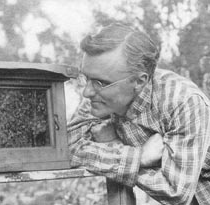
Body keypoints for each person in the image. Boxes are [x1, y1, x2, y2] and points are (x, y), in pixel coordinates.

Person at [67, 22, 210, 205]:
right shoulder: (98, 100)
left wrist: (114, 152)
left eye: (100, 82)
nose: (86, 92)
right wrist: (139, 156)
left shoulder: (182, 101)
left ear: (139, 81)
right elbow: (66, 148)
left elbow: (176, 192)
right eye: (87, 78)